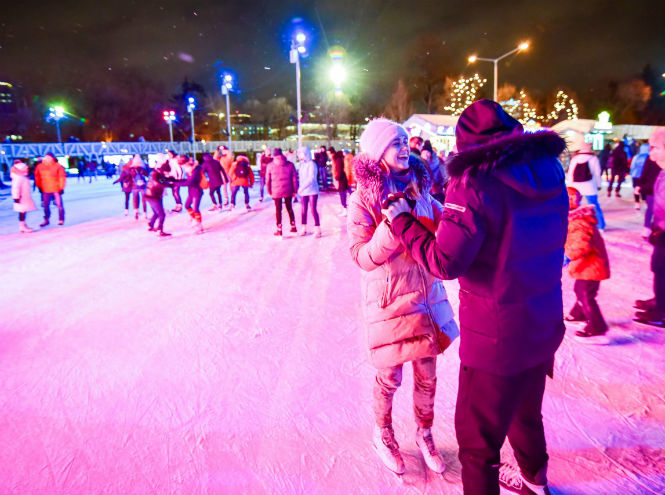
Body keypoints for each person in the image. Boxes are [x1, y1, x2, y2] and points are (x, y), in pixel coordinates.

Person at [383, 99, 568, 495]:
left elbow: (445, 260)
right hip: (543, 322)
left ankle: (526, 482)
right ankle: (536, 482)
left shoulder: (474, 182)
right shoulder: (550, 168)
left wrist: (402, 220)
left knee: (477, 441)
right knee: (525, 410)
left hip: (496, 336)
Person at [347, 118, 459, 477]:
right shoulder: (362, 200)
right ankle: (384, 433)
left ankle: (425, 433)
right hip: (391, 303)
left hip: (426, 299)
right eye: (394, 142)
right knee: (389, 378)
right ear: (378, 153)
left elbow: (444, 230)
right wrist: (393, 226)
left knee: (428, 375)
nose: (403, 147)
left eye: (404, 140)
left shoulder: (422, 190)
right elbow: (362, 257)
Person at [564, 187, 611, 341]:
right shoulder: (575, 219)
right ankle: (579, 313)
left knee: (585, 294)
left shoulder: (578, 221)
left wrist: (567, 257)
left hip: (591, 266)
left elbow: (581, 245)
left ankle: (597, 326)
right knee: (580, 291)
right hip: (587, 266)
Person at [634, 128, 665, 326]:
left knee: (662, 268)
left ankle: (662, 312)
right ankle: (659, 300)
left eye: (655, 147)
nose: (650, 152)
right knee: (658, 267)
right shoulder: (663, 171)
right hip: (660, 228)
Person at [567, 142, 605, 231]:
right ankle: (600, 225)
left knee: (575, 207)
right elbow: (597, 173)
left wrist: (570, 186)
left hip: (576, 186)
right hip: (589, 186)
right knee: (594, 205)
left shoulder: (575, 158)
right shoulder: (593, 158)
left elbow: (570, 173)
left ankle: (575, 225)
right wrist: (598, 185)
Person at [266, 153, 298, 237]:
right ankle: (293, 225)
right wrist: (295, 191)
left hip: (276, 191)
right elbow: (294, 179)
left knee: (278, 210)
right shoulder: (290, 164)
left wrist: (269, 191)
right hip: (288, 190)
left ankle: (279, 229)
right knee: (289, 207)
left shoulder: (270, 165)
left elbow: (267, 180)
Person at [34, 153, 66, 227]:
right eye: (46, 157)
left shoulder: (57, 166)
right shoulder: (40, 166)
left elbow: (61, 177)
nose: (47, 159)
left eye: (49, 157)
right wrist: (39, 186)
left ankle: (61, 219)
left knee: (59, 205)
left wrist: (61, 188)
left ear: (52, 158)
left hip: (56, 188)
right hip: (45, 188)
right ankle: (46, 219)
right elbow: (37, 177)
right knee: (45, 206)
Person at [145, 160, 174, 236]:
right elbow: (157, 184)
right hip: (152, 196)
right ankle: (159, 230)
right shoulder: (155, 174)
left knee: (156, 213)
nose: (167, 174)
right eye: (167, 172)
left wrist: (170, 180)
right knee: (161, 214)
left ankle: (151, 224)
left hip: (154, 195)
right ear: (164, 170)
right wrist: (169, 185)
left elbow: (162, 181)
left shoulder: (159, 173)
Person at [297, 146, 321, 237]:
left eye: (301, 153)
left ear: (306, 153)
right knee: (303, 210)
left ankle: (317, 229)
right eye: (299, 153)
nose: (299, 155)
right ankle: (304, 228)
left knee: (313, 209)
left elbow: (311, 178)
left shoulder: (312, 164)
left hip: (312, 190)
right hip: (303, 191)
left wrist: (302, 187)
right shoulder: (301, 164)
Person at [177, 155, 205, 233]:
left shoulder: (195, 170)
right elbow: (187, 180)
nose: (183, 167)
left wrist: (176, 184)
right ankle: (194, 219)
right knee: (187, 205)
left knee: (195, 208)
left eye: (183, 165)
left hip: (197, 191)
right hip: (191, 191)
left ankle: (199, 225)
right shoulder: (190, 169)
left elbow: (190, 181)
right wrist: (176, 181)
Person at [11, 159, 36, 233]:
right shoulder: (19, 177)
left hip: (23, 197)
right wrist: (16, 197)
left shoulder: (21, 176)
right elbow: (16, 187)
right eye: (26, 169)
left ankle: (23, 225)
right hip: (21, 198)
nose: (27, 170)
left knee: (23, 212)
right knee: (22, 212)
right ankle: (22, 226)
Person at [630, 142, 650, 210]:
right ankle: (647, 202)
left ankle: (637, 203)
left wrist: (632, 173)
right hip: (644, 176)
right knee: (645, 190)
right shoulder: (649, 157)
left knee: (636, 189)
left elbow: (632, 166)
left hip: (636, 175)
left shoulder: (636, 157)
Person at [129, 154, 148, 220]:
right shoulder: (143, 169)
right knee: (144, 200)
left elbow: (129, 177)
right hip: (143, 186)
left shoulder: (131, 169)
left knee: (135, 199)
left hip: (134, 186)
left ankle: (136, 212)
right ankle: (145, 213)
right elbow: (147, 174)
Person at [331, 148, 348, 214]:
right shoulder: (341, 158)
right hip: (343, 179)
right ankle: (344, 208)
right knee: (343, 194)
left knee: (342, 195)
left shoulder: (337, 159)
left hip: (341, 180)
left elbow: (339, 170)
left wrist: (337, 179)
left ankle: (344, 209)